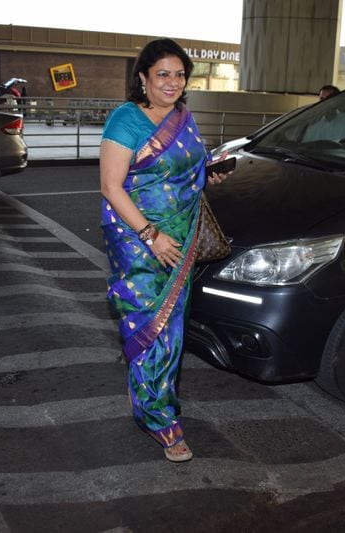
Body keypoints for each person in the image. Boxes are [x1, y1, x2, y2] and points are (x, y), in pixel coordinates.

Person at [99, 38, 229, 463]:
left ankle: (154, 396)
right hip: (140, 241)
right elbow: (111, 187)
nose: (172, 82)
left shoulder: (182, 117)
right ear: (142, 78)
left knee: (169, 331)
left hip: (181, 239)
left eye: (179, 74)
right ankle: (160, 421)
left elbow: (186, 167)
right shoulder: (126, 120)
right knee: (150, 330)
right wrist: (150, 235)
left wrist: (206, 175)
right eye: (162, 74)